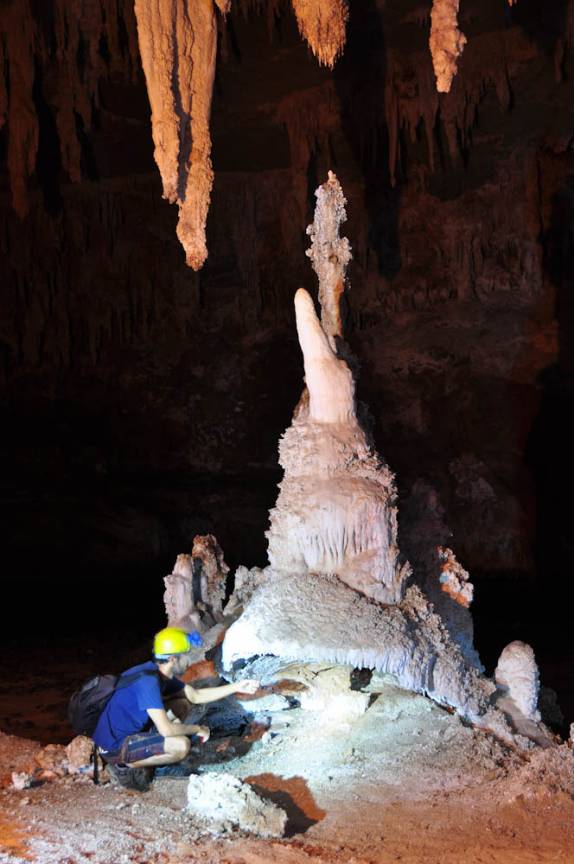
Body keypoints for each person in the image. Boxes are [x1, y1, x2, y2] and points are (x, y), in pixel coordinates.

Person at [93, 626, 259, 790]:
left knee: (182, 704)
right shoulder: (147, 683)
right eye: (186, 656)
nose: (189, 662)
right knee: (181, 745)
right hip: (113, 746)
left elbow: (195, 696)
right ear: (173, 658)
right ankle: (129, 766)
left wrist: (237, 686)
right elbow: (167, 730)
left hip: (129, 730)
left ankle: (153, 750)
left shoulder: (155, 671)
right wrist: (198, 729)